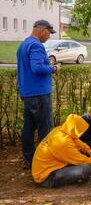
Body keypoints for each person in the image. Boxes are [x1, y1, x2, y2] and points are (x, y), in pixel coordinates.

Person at [16, 20, 61, 169]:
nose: (49, 36)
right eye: (49, 32)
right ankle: (45, 161)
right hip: (40, 94)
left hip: (28, 94)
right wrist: (53, 69)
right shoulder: (36, 45)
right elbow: (37, 68)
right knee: (45, 129)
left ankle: (29, 160)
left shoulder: (23, 45)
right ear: (41, 30)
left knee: (28, 128)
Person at [32, 114, 91, 188]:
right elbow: (79, 159)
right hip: (46, 177)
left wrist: (90, 152)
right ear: (74, 129)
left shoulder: (60, 129)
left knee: (86, 162)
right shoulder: (63, 142)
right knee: (86, 168)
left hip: (49, 167)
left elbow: (76, 140)